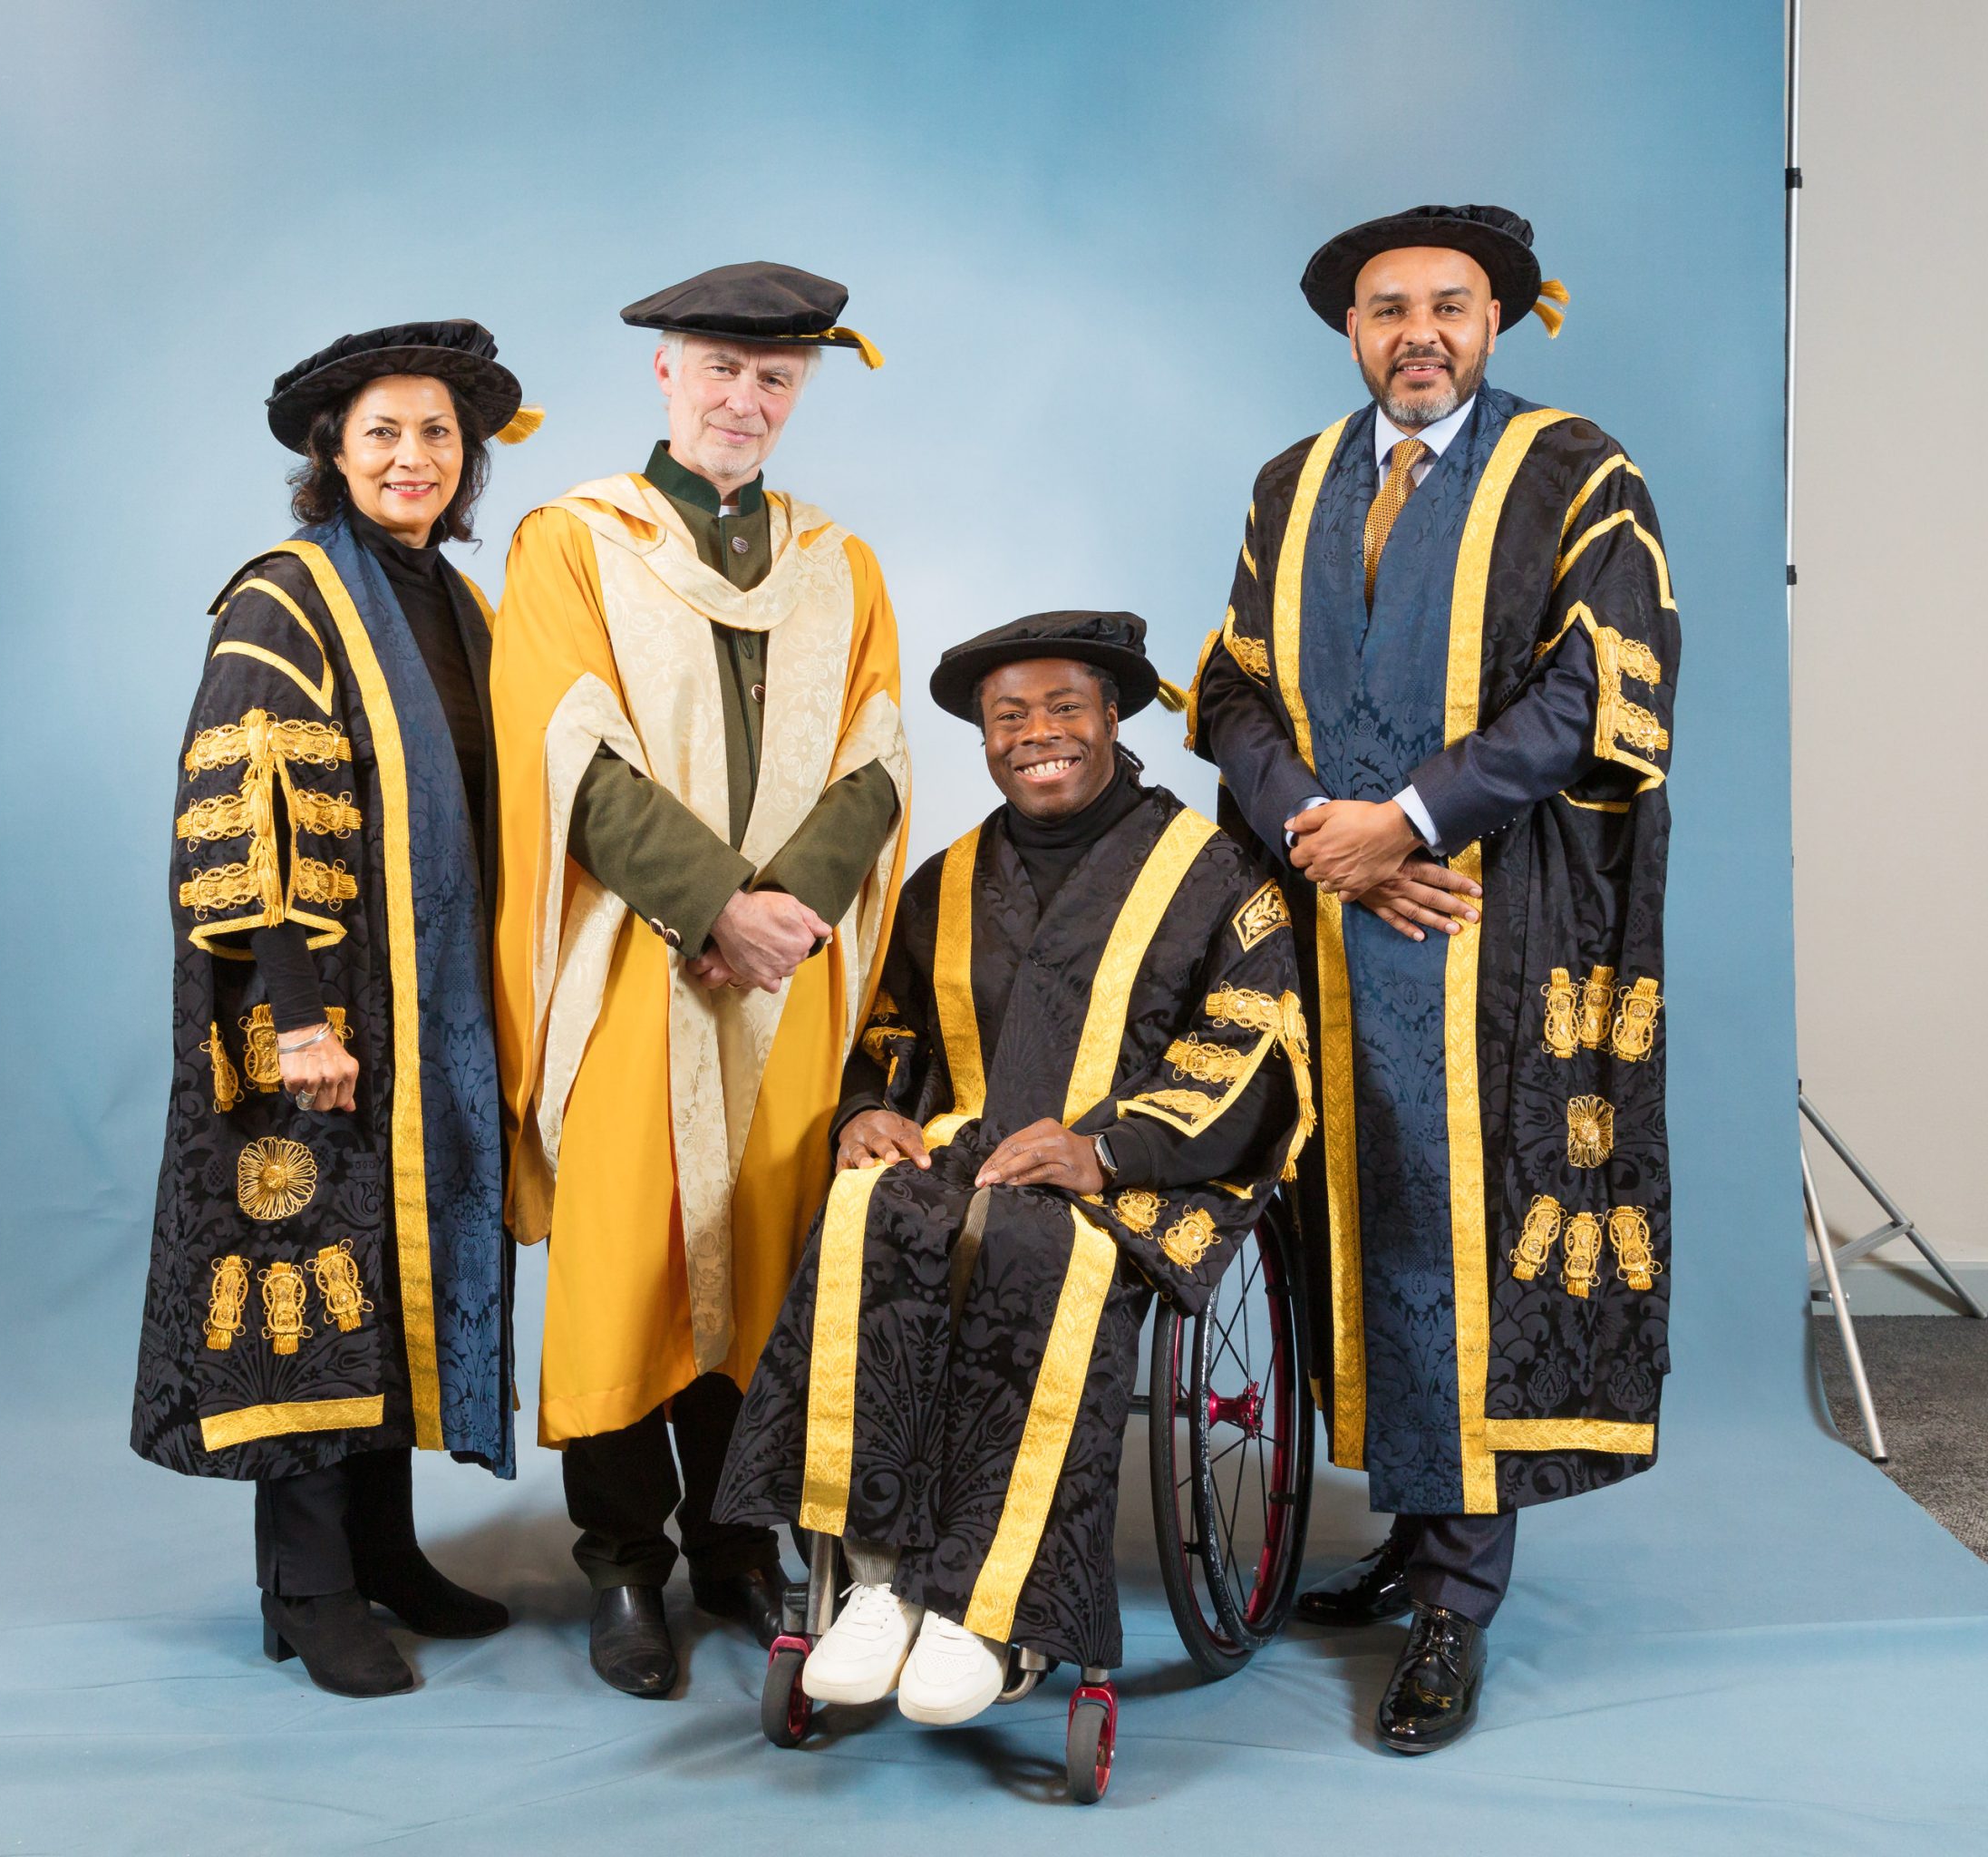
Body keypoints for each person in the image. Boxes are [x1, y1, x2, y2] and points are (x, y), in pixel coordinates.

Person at [1190, 204, 1678, 1752]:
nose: (1419, 329)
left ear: (1500, 318)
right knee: (1371, 1217)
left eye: (1450, 304)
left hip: (1491, 912)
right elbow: (1233, 686)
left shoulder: (1577, 472)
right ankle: (1414, 1530)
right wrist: (1316, 832)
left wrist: (1404, 821)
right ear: (1350, 327)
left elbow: (1600, 683)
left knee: (1466, 1231)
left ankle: (1461, 1601)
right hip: (1331, 924)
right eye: (1388, 305)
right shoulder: (1300, 481)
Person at [715, 612, 1314, 1726]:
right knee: (874, 1213)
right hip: (979, 1152)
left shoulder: (1215, 873)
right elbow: (895, 1033)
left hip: (1144, 1167)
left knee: (1036, 1244)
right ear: (985, 741)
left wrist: (1105, 1147)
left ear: (1112, 717)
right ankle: (879, 1579)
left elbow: (1250, 1043)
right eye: (1008, 717)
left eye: (1063, 708)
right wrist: (866, 1113)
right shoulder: (947, 880)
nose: (1036, 733)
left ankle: (988, 1610)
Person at [491, 262, 909, 1697]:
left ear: (800, 394)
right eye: (720, 369)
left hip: (787, 978)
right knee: (630, 1254)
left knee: (774, 1253)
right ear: (664, 375)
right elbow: (567, 752)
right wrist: (719, 907)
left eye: (775, 378)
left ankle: (740, 1550)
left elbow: (878, 755)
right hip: (633, 967)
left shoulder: (838, 563)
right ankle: (622, 1567)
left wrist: (787, 913)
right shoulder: (573, 543)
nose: (746, 398)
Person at [132, 321, 544, 1697]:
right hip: (306, 1011)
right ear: (333, 452)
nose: (414, 456)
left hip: (426, 1013)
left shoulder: (447, 600)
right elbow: (247, 807)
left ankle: (383, 1548)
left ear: (467, 456)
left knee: (391, 1268)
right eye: (384, 433)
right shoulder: (287, 596)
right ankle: (307, 1586)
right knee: (307, 1272)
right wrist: (301, 1015)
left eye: (437, 434)